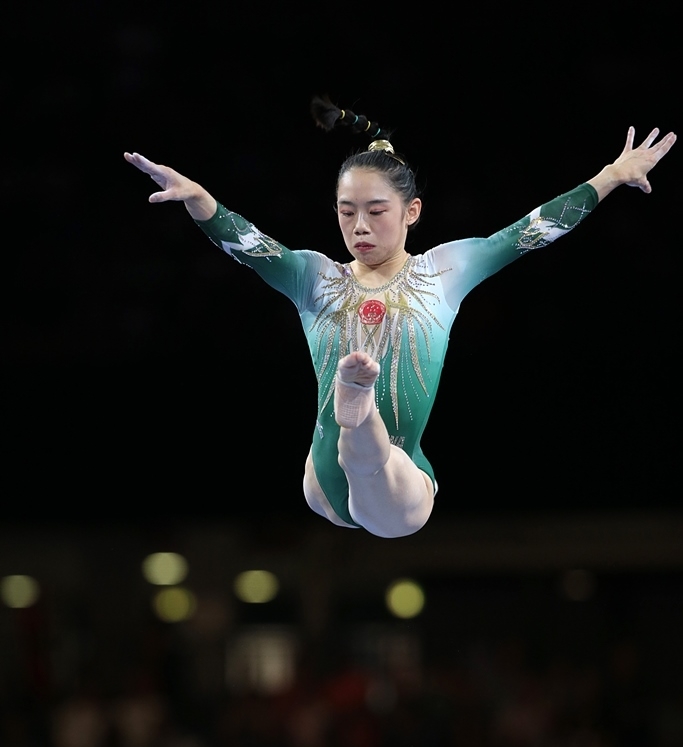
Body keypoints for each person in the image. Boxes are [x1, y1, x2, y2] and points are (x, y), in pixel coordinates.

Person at [124, 99, 675, 538]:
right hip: (322, 479)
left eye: (376, 211)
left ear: (411, 212)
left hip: (394, 476)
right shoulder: (315, 277)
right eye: (346, 213)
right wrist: (199, 199)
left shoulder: (444, 272)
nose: (360, 226)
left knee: (382, 480)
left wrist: (610, 176)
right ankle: (355, 407)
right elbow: (250, 245)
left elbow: (529, 232)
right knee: (359, 457)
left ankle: (356, 406)